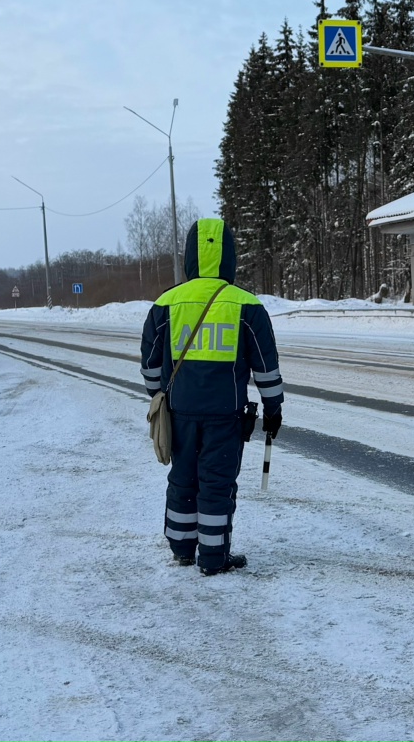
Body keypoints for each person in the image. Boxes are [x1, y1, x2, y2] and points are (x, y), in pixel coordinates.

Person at [140, 218, 284, 576]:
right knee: (217, 483)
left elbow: (150, 362)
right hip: (226, 415)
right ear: (230, 257)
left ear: (190, 256)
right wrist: (273, 408)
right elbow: (265, 366)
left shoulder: (166, 303)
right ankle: (214, 558)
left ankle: (182, 549)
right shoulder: (246, 306)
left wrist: (160, 395)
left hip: (180, 413)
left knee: (183, 478)